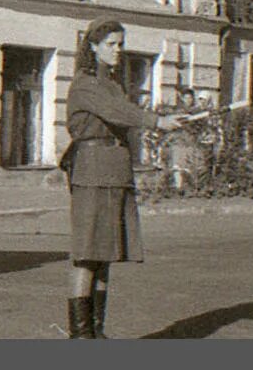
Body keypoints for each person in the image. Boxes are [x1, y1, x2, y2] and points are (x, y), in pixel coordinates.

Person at [60, 18, 185, 339]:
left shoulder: (112, 84)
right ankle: (80, 336)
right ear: (93, 46)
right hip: (92, 172)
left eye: (121, 44)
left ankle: (97, 332)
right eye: (111, 44)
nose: (118, 51)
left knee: (106, 256)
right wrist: (158, 121)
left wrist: (166, 120)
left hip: (115, 171)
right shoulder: (86, 84)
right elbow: (119, 113)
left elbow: (121, 111)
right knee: (87, 255)